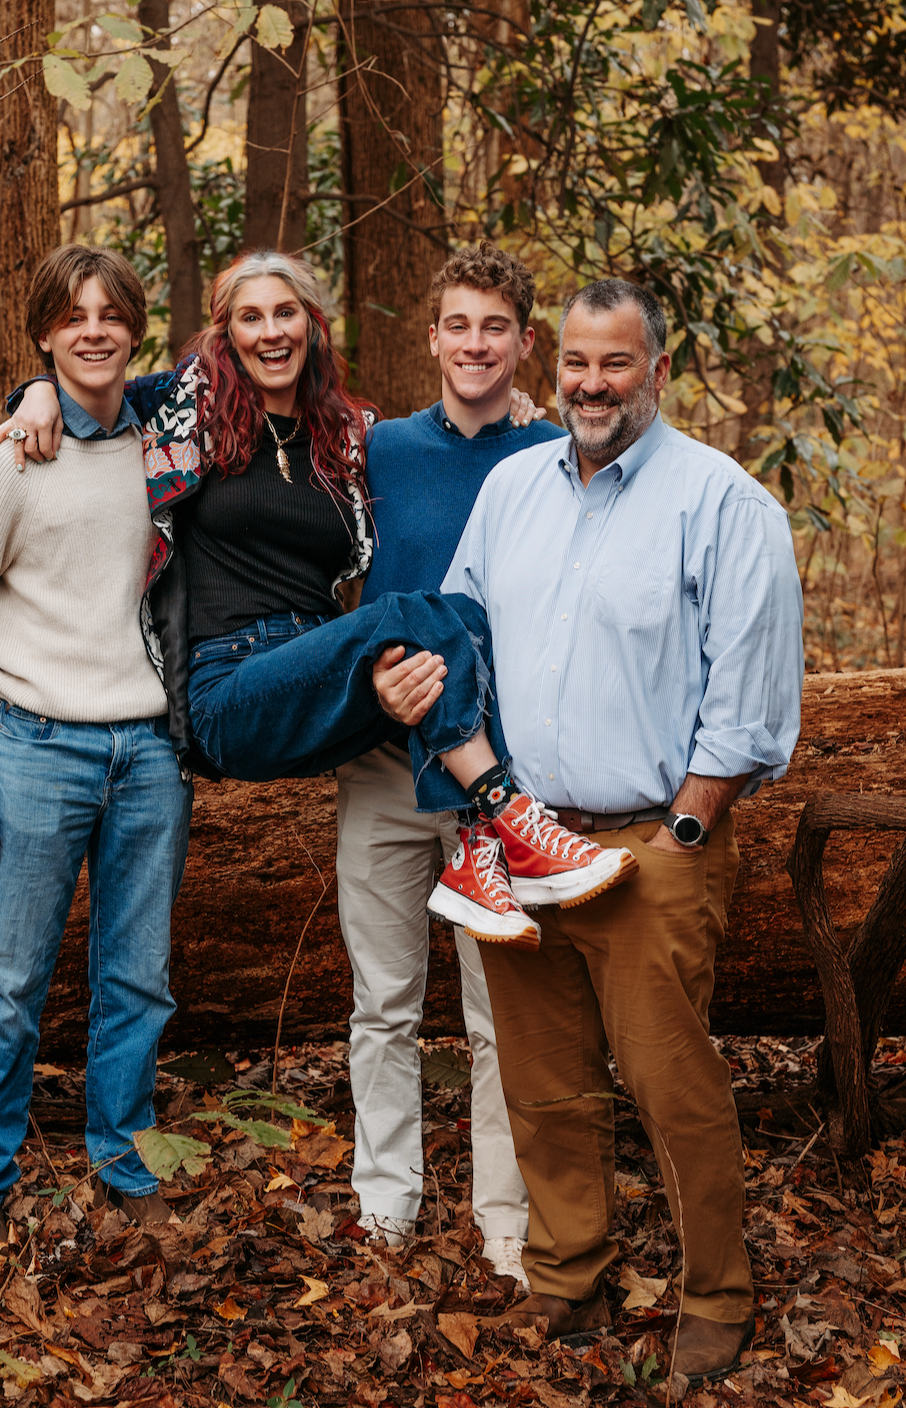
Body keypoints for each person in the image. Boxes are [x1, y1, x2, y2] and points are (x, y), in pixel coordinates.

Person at [381, 278, 804, 1386]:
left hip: (652, 845)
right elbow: (461, 639)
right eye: (576, 362)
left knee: (673, 1087)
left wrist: (684, 837)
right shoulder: (513, 488)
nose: (593, 383)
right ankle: (569, 1275)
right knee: (544, 1083)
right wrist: (424, 706)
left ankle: (716, 1293)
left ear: (657, 370)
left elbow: (749, 706)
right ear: (552, 364)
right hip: (520, 840)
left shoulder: (723, 503)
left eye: (616, 363)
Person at [3, 251, 637, 939]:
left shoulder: (349, 434)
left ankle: (479, 851)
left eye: (286, 313)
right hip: (228, 688)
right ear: (227, 331)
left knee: (456, 612)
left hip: (326, 681)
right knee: (411, 612)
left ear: (311, 324)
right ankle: (505, 815)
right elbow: (96, 385)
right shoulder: (189, 405)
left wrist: (514, 410)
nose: (271, 331)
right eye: (251, 317)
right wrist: (37, 390)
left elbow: (455, 443)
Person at [0, 246, 193, 1270]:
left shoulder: (166, 447)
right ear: (44, 334)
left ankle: (125, 1164)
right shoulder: (6, 459)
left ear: (134, 328)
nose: (93, 331)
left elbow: (259, 380)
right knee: (12, 977)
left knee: (139, 978)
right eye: (72, 317)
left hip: (151, 751)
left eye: (110, 314)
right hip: (39, 747)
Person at [335, 244, 568, 1277]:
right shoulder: (378, 451)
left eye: (495, 328)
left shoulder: (557, 454)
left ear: (526, 342)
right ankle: (385, 1204)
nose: (475, 345)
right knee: (383, 1002)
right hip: (384, 769)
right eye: (459, 326)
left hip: (496, 785)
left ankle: (505, 1221)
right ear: (431, 338)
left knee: (498, 1012)